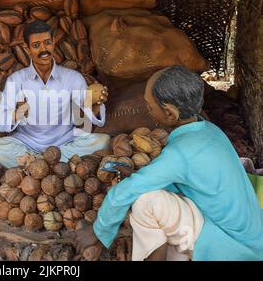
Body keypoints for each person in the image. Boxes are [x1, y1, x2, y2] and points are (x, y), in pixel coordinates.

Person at [75, 65, 263, 261]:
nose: (147, 110)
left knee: (145, 202)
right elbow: (191, 181)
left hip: (233, 247)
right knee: (152, 195)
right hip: (253, 238)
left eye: (149, 107)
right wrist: (142, 175)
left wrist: (98, 231)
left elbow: (125, 192)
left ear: (170, 114)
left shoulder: (180, 153)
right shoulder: (210, 130)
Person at [0, 20, 110, 168]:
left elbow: (83, 118)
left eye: (47, 42)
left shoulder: (73, 77)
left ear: (54, 42)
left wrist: (94, 107)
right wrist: (18, 113)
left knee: (103, 142)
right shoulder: (16, 80)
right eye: (36, 45)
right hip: (27, 144)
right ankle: (52, 164)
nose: (44, 49)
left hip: (64, 144)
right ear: (27, 48)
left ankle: (35, 164)